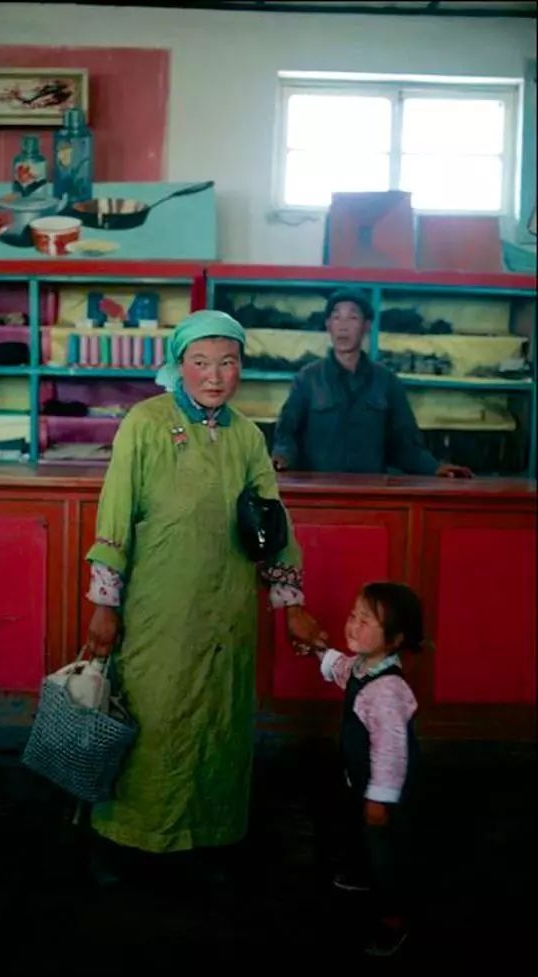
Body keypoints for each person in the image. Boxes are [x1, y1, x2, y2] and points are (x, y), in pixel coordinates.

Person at [84, 309, 327, 872]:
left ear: (241, 366)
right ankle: (134, 836)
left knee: (221, 720)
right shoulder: (145, 422)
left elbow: (272, 524)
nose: (214, 376)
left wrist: (291, 606)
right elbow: (115, 516)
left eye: (227, 363)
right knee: (153, 715)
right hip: (159, 609)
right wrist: (104, 606)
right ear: (180, 365)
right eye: (200, 362)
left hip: (229, 609)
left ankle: (208, 832)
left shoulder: (246, 436)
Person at [313, 581, 424, 957]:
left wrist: (379, 798)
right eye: (353, 615)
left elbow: (391, 754)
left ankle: (393, 917)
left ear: (395, 639)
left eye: (366, 621)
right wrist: (317, 650)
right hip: (361, 779)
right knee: (361, 832)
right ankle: (364, 875)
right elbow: (341, 669)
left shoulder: (387, 690)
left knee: (386, 848)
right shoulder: (363, 666)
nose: (353, 624)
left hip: (386, 792)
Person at [272, 288, 472, 477]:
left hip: (371, 492)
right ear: (328, 325)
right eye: (336, 317)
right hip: (321, 492)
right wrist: (281, 457)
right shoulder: (308, 379)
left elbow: (406, 447)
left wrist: (435, 468)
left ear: (366, 326)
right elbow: (287, 434)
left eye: (352, 317)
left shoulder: (387, 382)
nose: (343, 326)